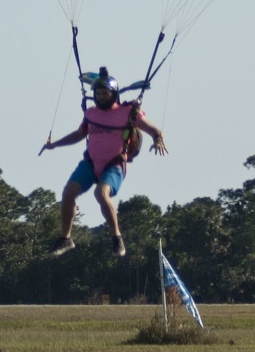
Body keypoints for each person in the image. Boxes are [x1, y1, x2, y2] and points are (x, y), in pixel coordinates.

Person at [39, 67, 167, 257]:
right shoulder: (91, 114)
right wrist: (55, 144)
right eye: (98, 93)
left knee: (101, 193)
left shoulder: (128, 113)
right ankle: (65, 239)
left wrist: (158, 140)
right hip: (90, 163)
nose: (101, 97)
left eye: (105, 93)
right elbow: (79, 134)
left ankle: (116, 238)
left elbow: (154, 130)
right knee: (68, 193)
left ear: (113, 94)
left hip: (114, 165)